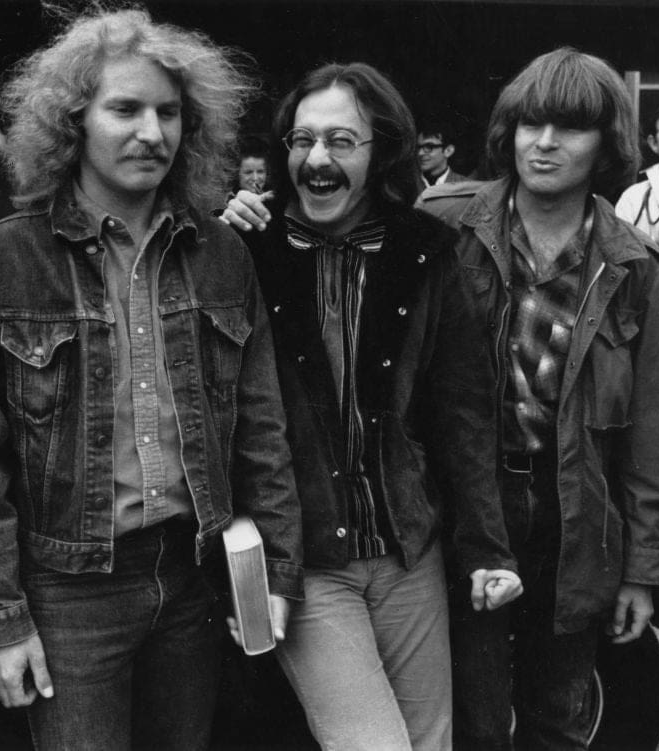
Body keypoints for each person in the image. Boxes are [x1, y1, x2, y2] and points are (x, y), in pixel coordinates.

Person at [0, 9, 303, 751]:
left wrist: (274, 571)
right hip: (67, 589)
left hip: (193, 574)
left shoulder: (221, 254)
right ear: (72, 122)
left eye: (169, 112)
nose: (152, 132)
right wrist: (4, 621)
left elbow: (261, 427)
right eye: (125, 109)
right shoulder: (3, 260)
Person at [219, 62, 520, 750]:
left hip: (408, 550)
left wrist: (486, 547)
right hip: (307, 558)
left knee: (430, 741)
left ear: (381, 151)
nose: (316, 159)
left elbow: (462, 412)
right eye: (302, 140)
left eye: (340, 141)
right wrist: (220, 235)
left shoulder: (425, 251)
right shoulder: (247, 249)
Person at [420, 47, 659, 750]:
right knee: (471, 721)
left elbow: (652, 434)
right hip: (464, 506)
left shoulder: (633, 265)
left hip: (575, 514)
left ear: (607, 144)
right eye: (531, 123)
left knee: (558, 719)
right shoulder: (445, 225)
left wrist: (642, 572)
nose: (545, 142)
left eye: (570, 127)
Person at [615, 100, 659, 312]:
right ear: (654, 143)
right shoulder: (633, 199)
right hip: (651, 317)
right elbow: (615, 269)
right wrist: (658, 244)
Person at [418, 120, 467, 191]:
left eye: (428, 147)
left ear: (448, 151)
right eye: (418, 147)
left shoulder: (466, 186)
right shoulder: (409, 185)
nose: (420, 153)